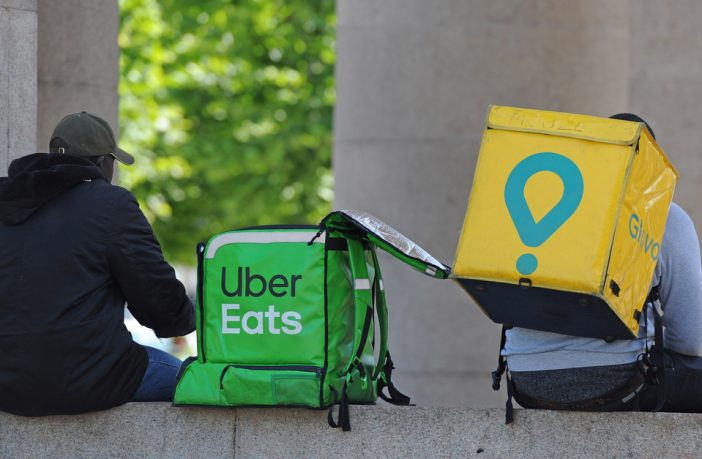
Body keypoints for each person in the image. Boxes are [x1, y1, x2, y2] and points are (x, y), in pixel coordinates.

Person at [501, 113, 702, 413]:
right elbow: (689, 339)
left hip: (527, 380)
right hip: (621, 380)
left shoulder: (545, 203)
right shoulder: (664, 216)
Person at [0, 111, 195, 416]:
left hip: (6, 385)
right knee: (196, 380)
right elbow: (162, 306)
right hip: (91, 378)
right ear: (103, 162)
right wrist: (189, 317)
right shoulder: (111, 205)